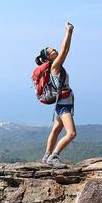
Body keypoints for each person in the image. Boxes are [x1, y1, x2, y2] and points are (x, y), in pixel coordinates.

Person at [37, 22, 76, 168]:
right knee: (71, 133)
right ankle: (54, 156)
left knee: (56, 129)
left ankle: (47, 155)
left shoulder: (55, 67)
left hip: (62, 103)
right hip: (64, 104)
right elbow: (64, 49)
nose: (54, 49)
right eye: (51, 50)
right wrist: (69, 32)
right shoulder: (55, 66)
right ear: (49, 57)